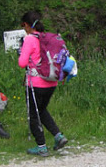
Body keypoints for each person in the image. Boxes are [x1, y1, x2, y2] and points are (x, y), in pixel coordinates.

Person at [18, 11, 68, 157]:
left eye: (23, 25)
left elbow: (22, 63)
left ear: (27, 25)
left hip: (35, 84)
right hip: (51, 82)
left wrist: (21, 53)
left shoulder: (29, 39)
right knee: (42, 110)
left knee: (33, 114)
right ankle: (58, 136)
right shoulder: (47, 37)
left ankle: (41, 147)